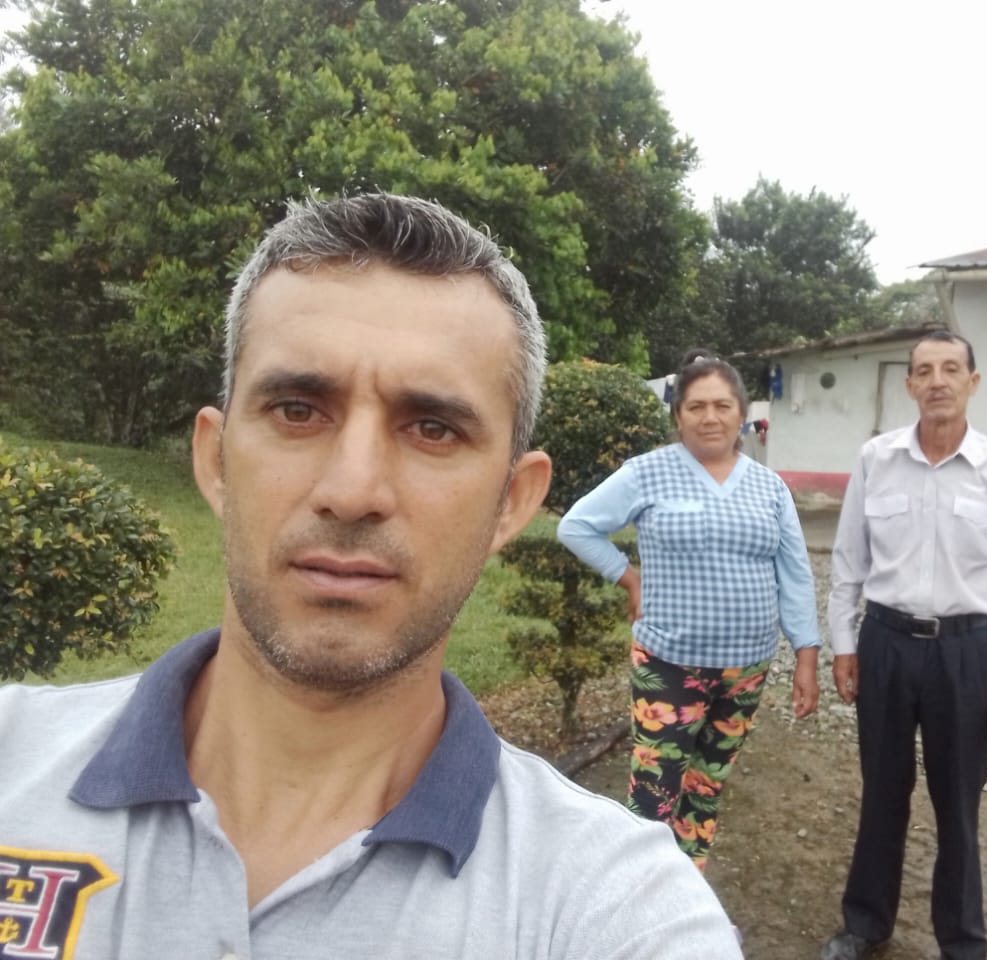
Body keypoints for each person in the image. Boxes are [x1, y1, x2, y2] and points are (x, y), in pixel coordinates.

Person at [0, 194, 744, 959]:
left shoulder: (616, 906)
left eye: (432, 428)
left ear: (511, 503)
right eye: (297, 410)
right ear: (215, 460)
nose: (352, 490)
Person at [821, 330, 987, 960]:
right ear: (909, 384)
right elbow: (848, 563)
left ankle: (962, 941)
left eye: (950, 369)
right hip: (886, 643)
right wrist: (844, 645)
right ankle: (865, 923)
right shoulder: (876, 460)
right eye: (924, 370)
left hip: (967, 651)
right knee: (882, 791)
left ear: (973, 382)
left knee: (958, 803)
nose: (937, 381)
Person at [558, 349, 821, 871]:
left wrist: (806, 653)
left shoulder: (768, 486)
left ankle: (687, 890)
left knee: (706, 787)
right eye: (696, 406)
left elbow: (794, 571)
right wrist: (628, 577)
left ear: (741, 412)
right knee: (654, 793)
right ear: (678, 414)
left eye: (722, 405)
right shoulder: (647, 474)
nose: (710, 417)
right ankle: (640, 896)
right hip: (670, 665)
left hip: (745, 670)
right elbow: (577, 526)